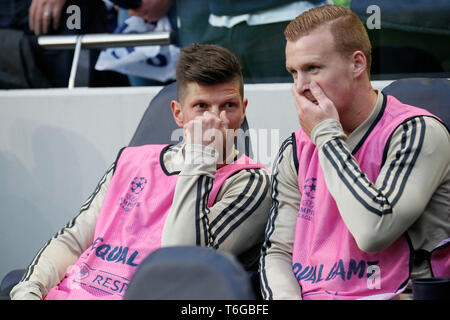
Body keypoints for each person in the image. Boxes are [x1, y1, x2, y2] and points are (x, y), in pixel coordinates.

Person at [10, 43, 272, 300]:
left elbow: (180, 263)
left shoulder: (252, 182)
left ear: (243, 109)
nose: (217, 120)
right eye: (201, 107)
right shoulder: (130, 160)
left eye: (228, 106)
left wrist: (200, 157)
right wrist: (28, 289)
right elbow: (74, 240)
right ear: (178, 115)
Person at [260, 5, 450, 300]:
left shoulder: (416, 132)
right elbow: (278, 252)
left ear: (357, 64)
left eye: (313, 68)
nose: (300, 87)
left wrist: (326, 135)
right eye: (293, 72)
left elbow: (374, 231)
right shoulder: (295, 148)